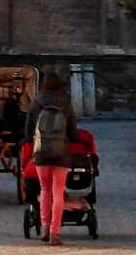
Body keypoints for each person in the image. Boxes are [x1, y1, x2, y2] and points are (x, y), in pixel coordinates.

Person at [26, 73, 80, 246]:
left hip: (41, 153)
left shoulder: (36, 102)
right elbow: (73, 132)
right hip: (61, 153)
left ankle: (44, 227)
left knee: (44, 190)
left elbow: (27, 131)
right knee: (58, 192)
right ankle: (55, 232)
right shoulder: (65, 103)